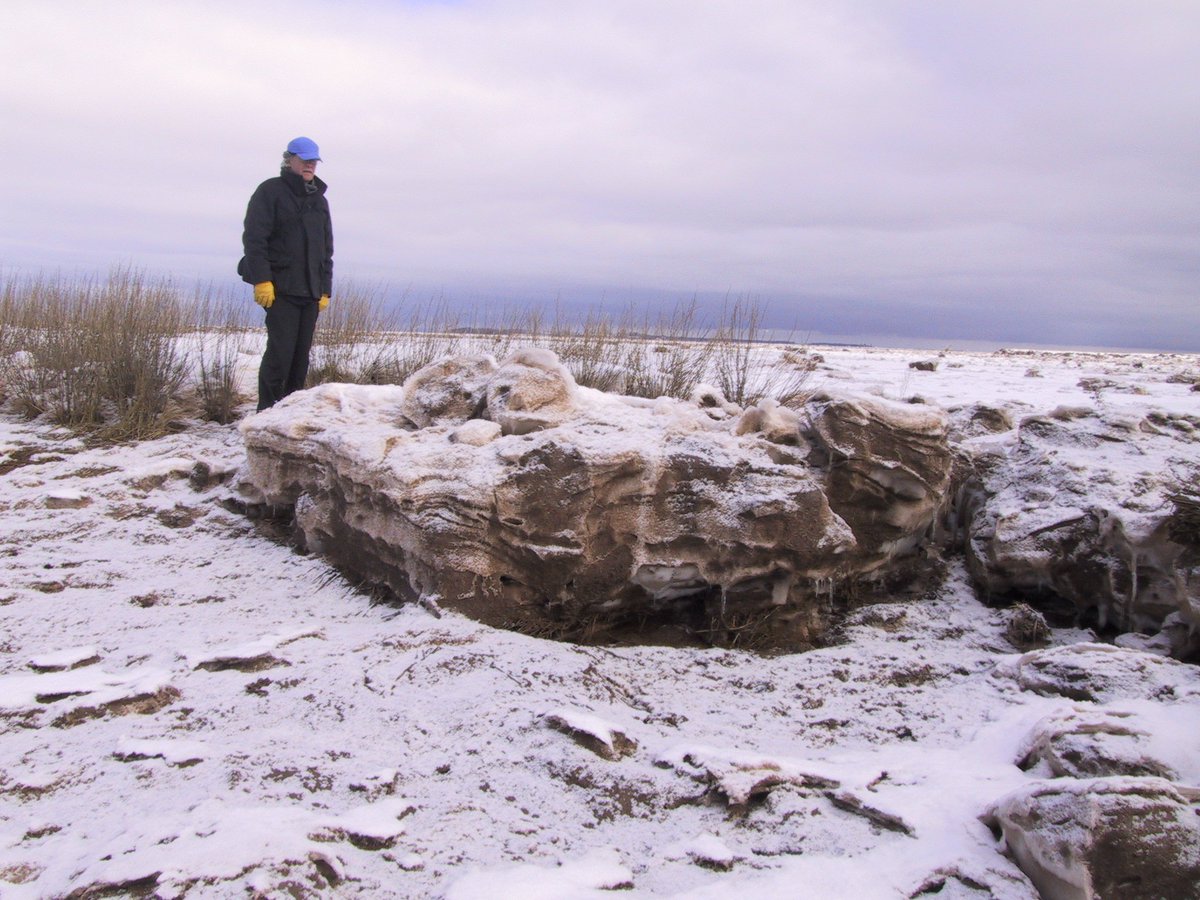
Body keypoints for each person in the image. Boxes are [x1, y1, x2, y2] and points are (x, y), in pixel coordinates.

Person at [238, 136, 333, 411]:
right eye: (304, 160)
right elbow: (255, 239)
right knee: (280, 355)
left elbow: (326, 250)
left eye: (313, 161)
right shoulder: (270, 192)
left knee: (300, 359)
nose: (309, 165)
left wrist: (325, 289)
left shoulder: (319, 201)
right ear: (289, 159)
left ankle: (290, 414)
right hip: (281, 289)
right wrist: (262, 280)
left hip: (311, 291)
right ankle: (266, 413)